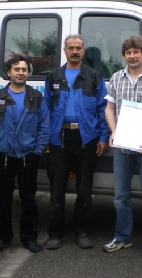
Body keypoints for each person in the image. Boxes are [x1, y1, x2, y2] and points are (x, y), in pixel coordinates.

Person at [103, 35, 142, 257]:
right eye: (128, 53)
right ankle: (122, 237)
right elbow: (109, 109)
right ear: (124, 56)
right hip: (122, 147)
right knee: (120, 196)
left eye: (135, 52)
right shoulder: (116, 78)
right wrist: (114, 132)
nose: (132, 56)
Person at [44, 34, 109, 250]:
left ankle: (81, 231)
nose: (74, 51)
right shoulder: (53, 76)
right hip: (59, 139)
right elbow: (46, 110)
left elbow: (103, 109)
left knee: (84, 190)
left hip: (86, 138)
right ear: (64, 50)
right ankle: (55, 233)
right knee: (57, 189)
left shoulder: (94, 76)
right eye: (70, 47)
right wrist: (46, 137)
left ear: (84, 51)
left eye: (78, 48)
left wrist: (102, 137)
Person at [0, 55, 50, 254]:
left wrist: (37, 151)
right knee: (3, 200)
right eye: (17, 69)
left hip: (28, 155)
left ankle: (29, 238)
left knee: (28, 199)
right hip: (3, 155)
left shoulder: (36, 97)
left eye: (24, 69)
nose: (21, 73)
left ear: (28, 73)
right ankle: (3, 238)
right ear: (8, 73)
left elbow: (44, 125)